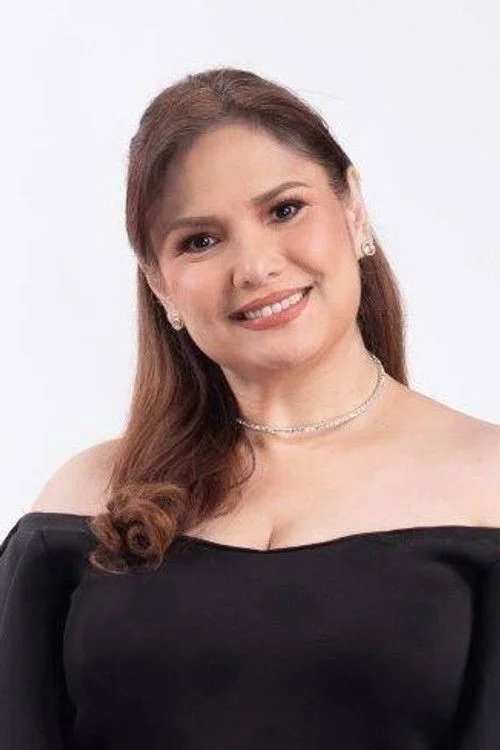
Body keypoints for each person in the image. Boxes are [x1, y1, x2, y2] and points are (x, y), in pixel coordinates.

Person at [1, 66, 499, 750]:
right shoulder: (84, 502)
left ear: (353, 209)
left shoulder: (486, 485)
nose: (256, 267)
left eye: (285, 210)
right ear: (161, 286)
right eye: (200, 241)